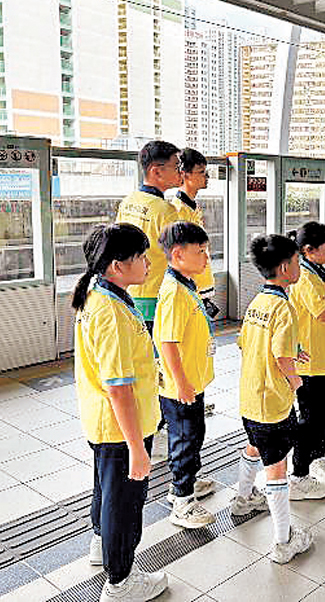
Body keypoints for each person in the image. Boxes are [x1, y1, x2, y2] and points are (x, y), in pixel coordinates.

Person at [72, 223, 168, 602]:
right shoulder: (109, 312)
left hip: (103, 422)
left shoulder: (99, 293)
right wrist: (137, 448)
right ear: (117, 265)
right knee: (124, 505)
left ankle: (102, 547)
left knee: (106, 492)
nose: (148, 263)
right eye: (141, 257)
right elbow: (118, 386)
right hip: (121, 428)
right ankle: (120, 582)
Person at [233, 234, 313, 564]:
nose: (299, 267)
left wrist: (294, 351)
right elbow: (280, 357)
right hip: (272, 403)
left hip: (250, 398)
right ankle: (283, 540)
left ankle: (242, 499)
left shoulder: (258, 303)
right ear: (284, 268)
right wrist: (296, 381)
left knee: (255, 446)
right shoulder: (284, 308)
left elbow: (246, 343)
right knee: (277, 467)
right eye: (297, 262)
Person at [154, 222, 217, 530]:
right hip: (181, 386)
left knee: (194, 435)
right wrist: (180, 383)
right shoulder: (174, 293)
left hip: (192, 380)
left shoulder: (186, 284)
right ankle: (181, 501)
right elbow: (167, 342)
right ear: (178, 254)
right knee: (185, 439)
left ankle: (186, 481)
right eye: (201, 251)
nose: (207, 257)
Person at [287, 222, 325, 499]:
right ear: (309, 250)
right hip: (311, 364)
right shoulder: (305, 278)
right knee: (310, 420)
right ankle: (299, 474)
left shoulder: (318, 271)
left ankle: (318, 457)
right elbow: (323, 312)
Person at [115, 140, 182, 334]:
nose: (181, 172)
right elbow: (178, 257)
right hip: (156, 293)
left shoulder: (127, 202)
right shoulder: (166, 210)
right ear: (157, 171)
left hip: (127, 289)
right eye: (176, 167)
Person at [170, 148, 219, 317]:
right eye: (201, 172)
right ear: (185, 174)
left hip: (201, 284)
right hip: (191, 287)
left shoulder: (193, 206)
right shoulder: (177, 211)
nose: (207, 176)